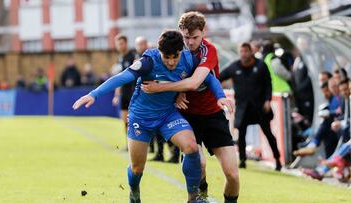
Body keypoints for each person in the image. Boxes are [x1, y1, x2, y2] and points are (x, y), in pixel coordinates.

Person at [73, 30, 232, 203]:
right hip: (141, 118)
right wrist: (94, 94)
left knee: (192, 147)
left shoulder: (189, 59)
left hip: (168, 115)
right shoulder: (148, 62)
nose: (171, 62)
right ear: (160, 52)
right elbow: (121, 77)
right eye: (167, 57)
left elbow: (209, 78)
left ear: (181, 51)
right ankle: (134, 191)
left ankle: (193, 198)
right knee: (137, 168)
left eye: (175, 57)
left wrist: (220, 96)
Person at [141, 11, 239, 203]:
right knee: (199, 164)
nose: (191, 42)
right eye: (187, 37)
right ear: (181, 33)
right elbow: (159, 74)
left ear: (204, 32)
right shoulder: (173, 51)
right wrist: (174, 95)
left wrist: (159, 88)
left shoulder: (208, 51)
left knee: (233, 174)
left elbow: (195, 83)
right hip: (186, 117)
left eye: (195, 37)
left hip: (213, 114)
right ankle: (200, 195)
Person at [218, 42, 282, 171]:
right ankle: (242, 160)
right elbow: (218, 78)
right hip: (243, 108)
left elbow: (268, 83)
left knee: (268, 134)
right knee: (241, 134)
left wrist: (268, 100)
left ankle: (277, 159)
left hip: (260, 107)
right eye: (241, 51)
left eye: (246, 51)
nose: (243, 54)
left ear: (251, 52)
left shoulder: (261, 65)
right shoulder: (234, 67)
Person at [112, 34, 137, 150]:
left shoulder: (132, 55)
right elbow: (118, 78)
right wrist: (117, 94)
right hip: (124, 92)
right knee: (124, 120)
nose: (119, 46)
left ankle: (138, 144)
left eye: (121, 43)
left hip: (133, 91)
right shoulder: (119, 58)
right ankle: (128, 144)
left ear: (126, 43)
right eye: (118, 44)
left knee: (134, 120)